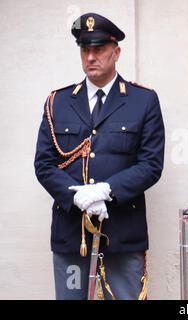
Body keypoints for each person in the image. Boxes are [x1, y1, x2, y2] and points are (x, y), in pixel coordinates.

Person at [34, 13, 165, 300]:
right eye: (85, 49)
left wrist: (107, 189)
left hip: (122, 233)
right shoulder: (59, 102)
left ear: (116, 52)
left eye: (99, 49)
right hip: (72, 234)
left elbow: (151, 164)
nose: (91, 57)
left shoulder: (143, 101)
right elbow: (44, 164)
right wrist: (75, 196)